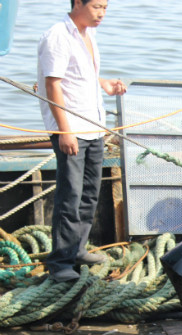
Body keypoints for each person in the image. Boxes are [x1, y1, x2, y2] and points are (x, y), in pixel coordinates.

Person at [37, 0, 126, 283]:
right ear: (78, 3)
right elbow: (53, 84)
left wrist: (105, 84)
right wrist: (64, 131)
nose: (102, 13)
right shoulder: (58, 36)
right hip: (72, 128)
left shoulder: (88, 34)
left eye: (105, 8)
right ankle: (60, 261)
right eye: (97, 6)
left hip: (94, 126)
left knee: (89, 193)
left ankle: (77, 250)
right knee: (70, 195)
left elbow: (81, 76)